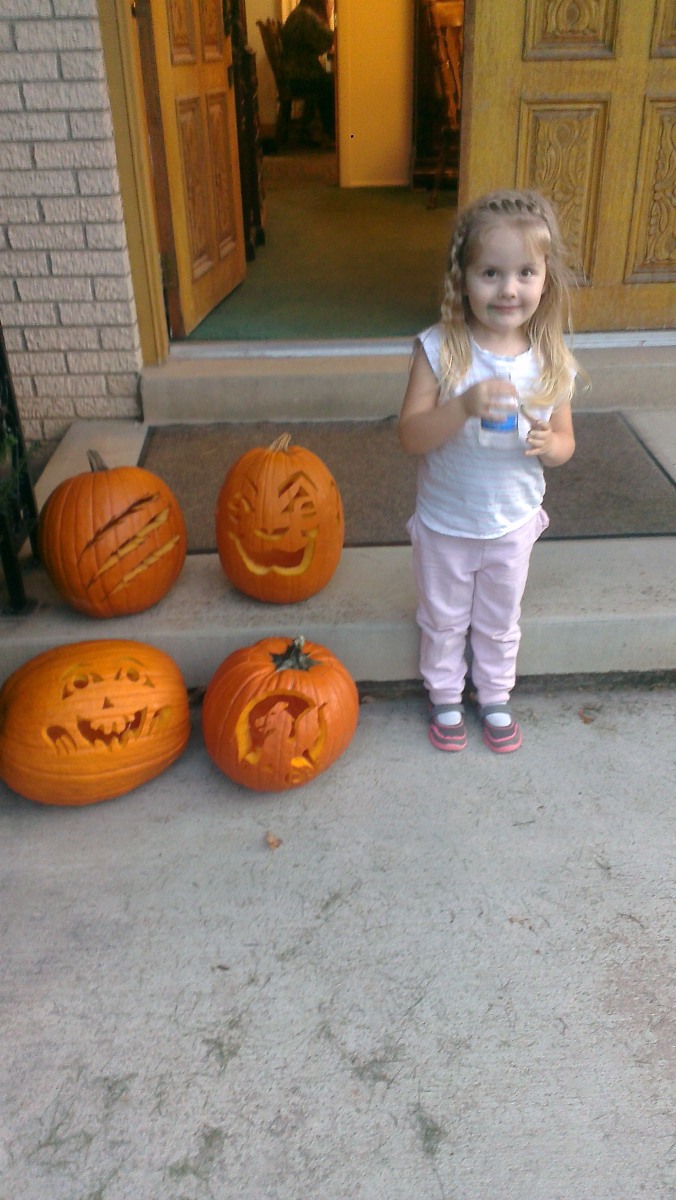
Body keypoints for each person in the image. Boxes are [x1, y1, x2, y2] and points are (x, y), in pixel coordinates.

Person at [399, 189, 581, 754]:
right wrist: (462, 407)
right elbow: (410, 436)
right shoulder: (441, 350)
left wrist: (551, 445)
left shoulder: (550, 358)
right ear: (463, 278)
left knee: (500, 619)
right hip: (446, 523)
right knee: (443, 619)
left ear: (545, 279)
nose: (508, 289)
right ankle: (445, 694)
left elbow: (567, 442)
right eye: (491, 273)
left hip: (511, 523)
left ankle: (496, 694)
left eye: (526, 272)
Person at [281, 0, 335, 145]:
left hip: (294, 74)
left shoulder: (301, 13)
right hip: (300, 76)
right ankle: (330, 133)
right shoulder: (305, 16)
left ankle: (320, 128)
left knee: (330, 80)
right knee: (333, 84)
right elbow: (328, 38)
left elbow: (320, 44)